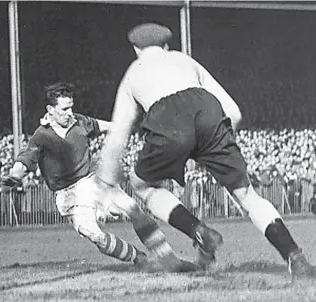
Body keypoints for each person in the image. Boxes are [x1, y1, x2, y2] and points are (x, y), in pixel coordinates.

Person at [95, 23, 313, 278]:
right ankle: (295, 257)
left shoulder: (133, 74)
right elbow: (233, 112)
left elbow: (118, 134)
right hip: (207, 111)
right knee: (247, 195)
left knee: (142, 184)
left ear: (136, 49)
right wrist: (208, 147)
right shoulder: (185, 60)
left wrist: (106, 181)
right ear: (166, 46)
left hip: (166, 119)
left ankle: (198, 231)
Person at [2, 82, 198, 272]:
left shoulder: (80, 121)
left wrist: (130, 124)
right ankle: (139, 258)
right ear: (50, 110)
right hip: (69, 196)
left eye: (71, 107)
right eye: (64, 109)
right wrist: (14, 176)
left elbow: (106, 126)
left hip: (95, 181)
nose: (69, 113)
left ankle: (170, 260)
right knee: (96, 236)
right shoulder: (41, 136)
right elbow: (24, 161)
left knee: (133, 209)